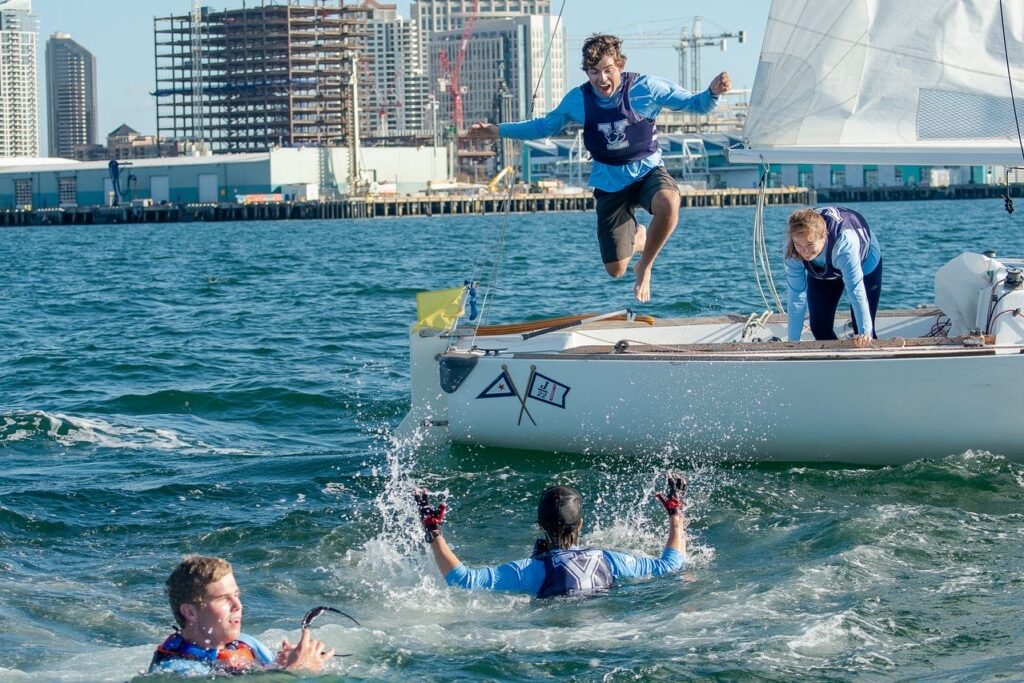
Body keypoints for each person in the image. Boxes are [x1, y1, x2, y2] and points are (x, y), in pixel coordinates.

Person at [466, 34, 730, 303]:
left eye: (608, 71)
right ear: (587, 72)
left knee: (669, 202)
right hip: (608, 181)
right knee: (616, 270)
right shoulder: (578, 100)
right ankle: (639, 239)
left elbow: (696, 104)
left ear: (620, 66)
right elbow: (543, 126)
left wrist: (713, 93)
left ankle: (646, 266)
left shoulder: (646, 88)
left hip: (646, 172)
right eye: (594, 72)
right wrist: (497, 131)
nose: (601, 79)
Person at [413, 475, 687, 597]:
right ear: (580, 525)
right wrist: (676, 515)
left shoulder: (533, 571)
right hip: (607, 638)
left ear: (539, 526)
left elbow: (463, 580)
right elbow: (670, 566)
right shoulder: (609, 560)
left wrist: (433, 530)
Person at [149, 555, 333, 676]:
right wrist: (295, 671)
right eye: (223, 599)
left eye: (236, 595)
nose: (238, 605)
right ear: (190, 612)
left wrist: (281, 665)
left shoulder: (247, 644)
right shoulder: (174, 672)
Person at [784, 207, 883, 347]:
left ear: (824, 236)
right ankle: (838, 363)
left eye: (810, 244)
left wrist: (865, 334)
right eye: (798, 244)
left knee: (861, 331)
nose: (804, 251)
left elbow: (856, 291)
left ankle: (872, 361)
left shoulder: (844, 246)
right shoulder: (793, 252)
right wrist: (792, 344)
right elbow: (796, 297)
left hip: (865, 262)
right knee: (819, 327)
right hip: (825, 267)